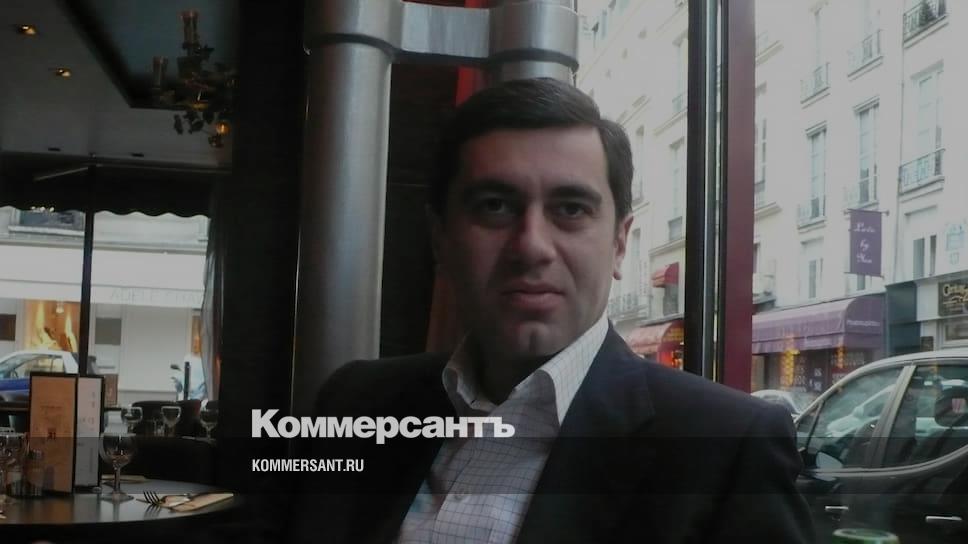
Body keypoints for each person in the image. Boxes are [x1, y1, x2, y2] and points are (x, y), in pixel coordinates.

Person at [293, 77, 814, 543]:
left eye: (570, 209)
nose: (532, 247)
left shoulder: (726, 446)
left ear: (619, 243)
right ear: (440, 239)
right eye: (495, 206)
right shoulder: (356, 402)